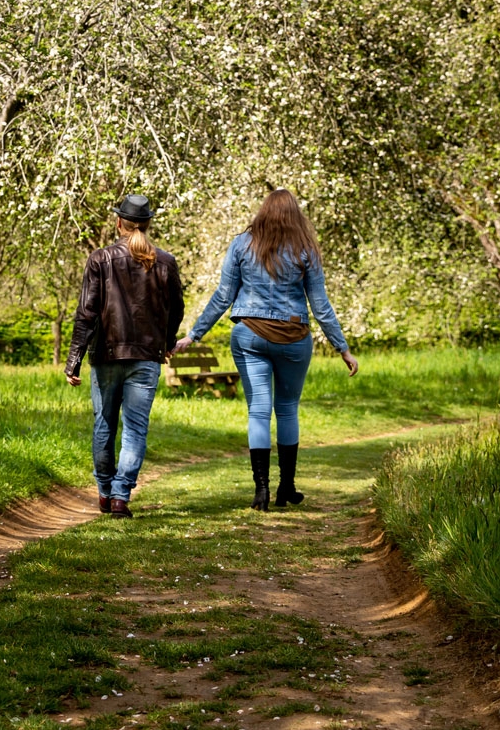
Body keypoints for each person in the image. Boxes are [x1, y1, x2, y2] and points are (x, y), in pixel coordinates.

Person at [175, 189, 358, 511]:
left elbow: (223, 296)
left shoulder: (241, 244)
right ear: (295, 215)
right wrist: (342, 348)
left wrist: (194, 335)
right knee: (287, 408)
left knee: (258, 410)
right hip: (293, 336)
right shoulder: (306, 250)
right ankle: (286, 487)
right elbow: (321, 306)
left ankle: (261, 491)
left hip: (250, 335)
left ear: (263, 212)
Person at [65, 194, 184, 519]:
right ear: (147, 224)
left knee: (104, 423)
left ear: (119, 223)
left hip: (106, 354)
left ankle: (105, 492)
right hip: (146, 357)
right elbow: (176, 308)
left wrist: (73, 360)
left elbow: (86, 313)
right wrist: (167, 341)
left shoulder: (100, 259)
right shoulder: (165, 261)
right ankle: (120, 496)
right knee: (135, 428)